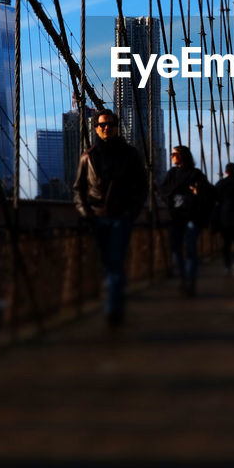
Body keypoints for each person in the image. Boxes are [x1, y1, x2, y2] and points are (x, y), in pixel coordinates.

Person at [73, 110, 148, 326]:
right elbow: (79, 189)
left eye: (111, 124)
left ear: (117, 126)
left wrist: (131, 213)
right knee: (105, 265)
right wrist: (86, 214)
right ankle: (114, 302)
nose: (107, 128)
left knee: (114, 264)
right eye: (102, 125)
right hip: (96, 218)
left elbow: (142, 187)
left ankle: (113, 311)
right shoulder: (88, 156)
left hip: (120, 218)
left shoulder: (130, 154)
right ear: (95, 128)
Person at [160, 144, 213, 296]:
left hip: (191, 217)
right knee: (176, 250)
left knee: (190, 249)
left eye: (174, 154)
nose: (171, 156)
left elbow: (209, 191)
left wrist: (198, 191)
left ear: (183, 156)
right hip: (175, 217)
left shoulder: (195, 174)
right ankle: (184, 279)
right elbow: (163, 191)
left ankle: (190, 282)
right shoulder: (171, 173)